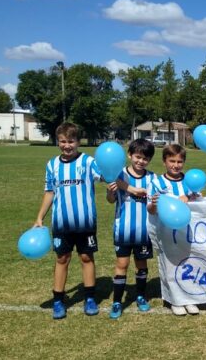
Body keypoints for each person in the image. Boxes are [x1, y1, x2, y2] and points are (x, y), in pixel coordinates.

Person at [34, 123, 103, 319]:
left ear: (78, 142)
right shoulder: (52, 165)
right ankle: (58, 300)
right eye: (63, 141)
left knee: (86, 257)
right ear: (58, 142)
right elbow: (49, 192)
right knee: (62, 258)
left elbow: (105, 176)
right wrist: (39, 217)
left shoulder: (88, 161)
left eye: (71, 141)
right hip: (61, 223)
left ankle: (90, 298)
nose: (67, 145)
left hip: (85, 222)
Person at [105, 138, 156, 320]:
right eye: (137, 157)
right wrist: (110, 192)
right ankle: (117, 301)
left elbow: (156, 201)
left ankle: (141, 296)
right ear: (129, 155)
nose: (141, 161)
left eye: (145, 158)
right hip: (123, 230)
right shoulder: (119, 175)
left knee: (141, 264)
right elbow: (110, 200)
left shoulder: (152, 178)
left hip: (144, 231)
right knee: (122, 265)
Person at [148, 143, 200, 316]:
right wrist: (154, 204)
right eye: (172, 161)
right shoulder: (156, 183)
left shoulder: (189, 181)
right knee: (169, 264)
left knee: (188, 262)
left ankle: (189, 297)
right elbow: (150, 209)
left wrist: (190, 197)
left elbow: (200, 202)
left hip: (187, 231)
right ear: (164, 161)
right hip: (165, 231)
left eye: (179, 162)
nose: (176, 165)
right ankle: (174, 300)